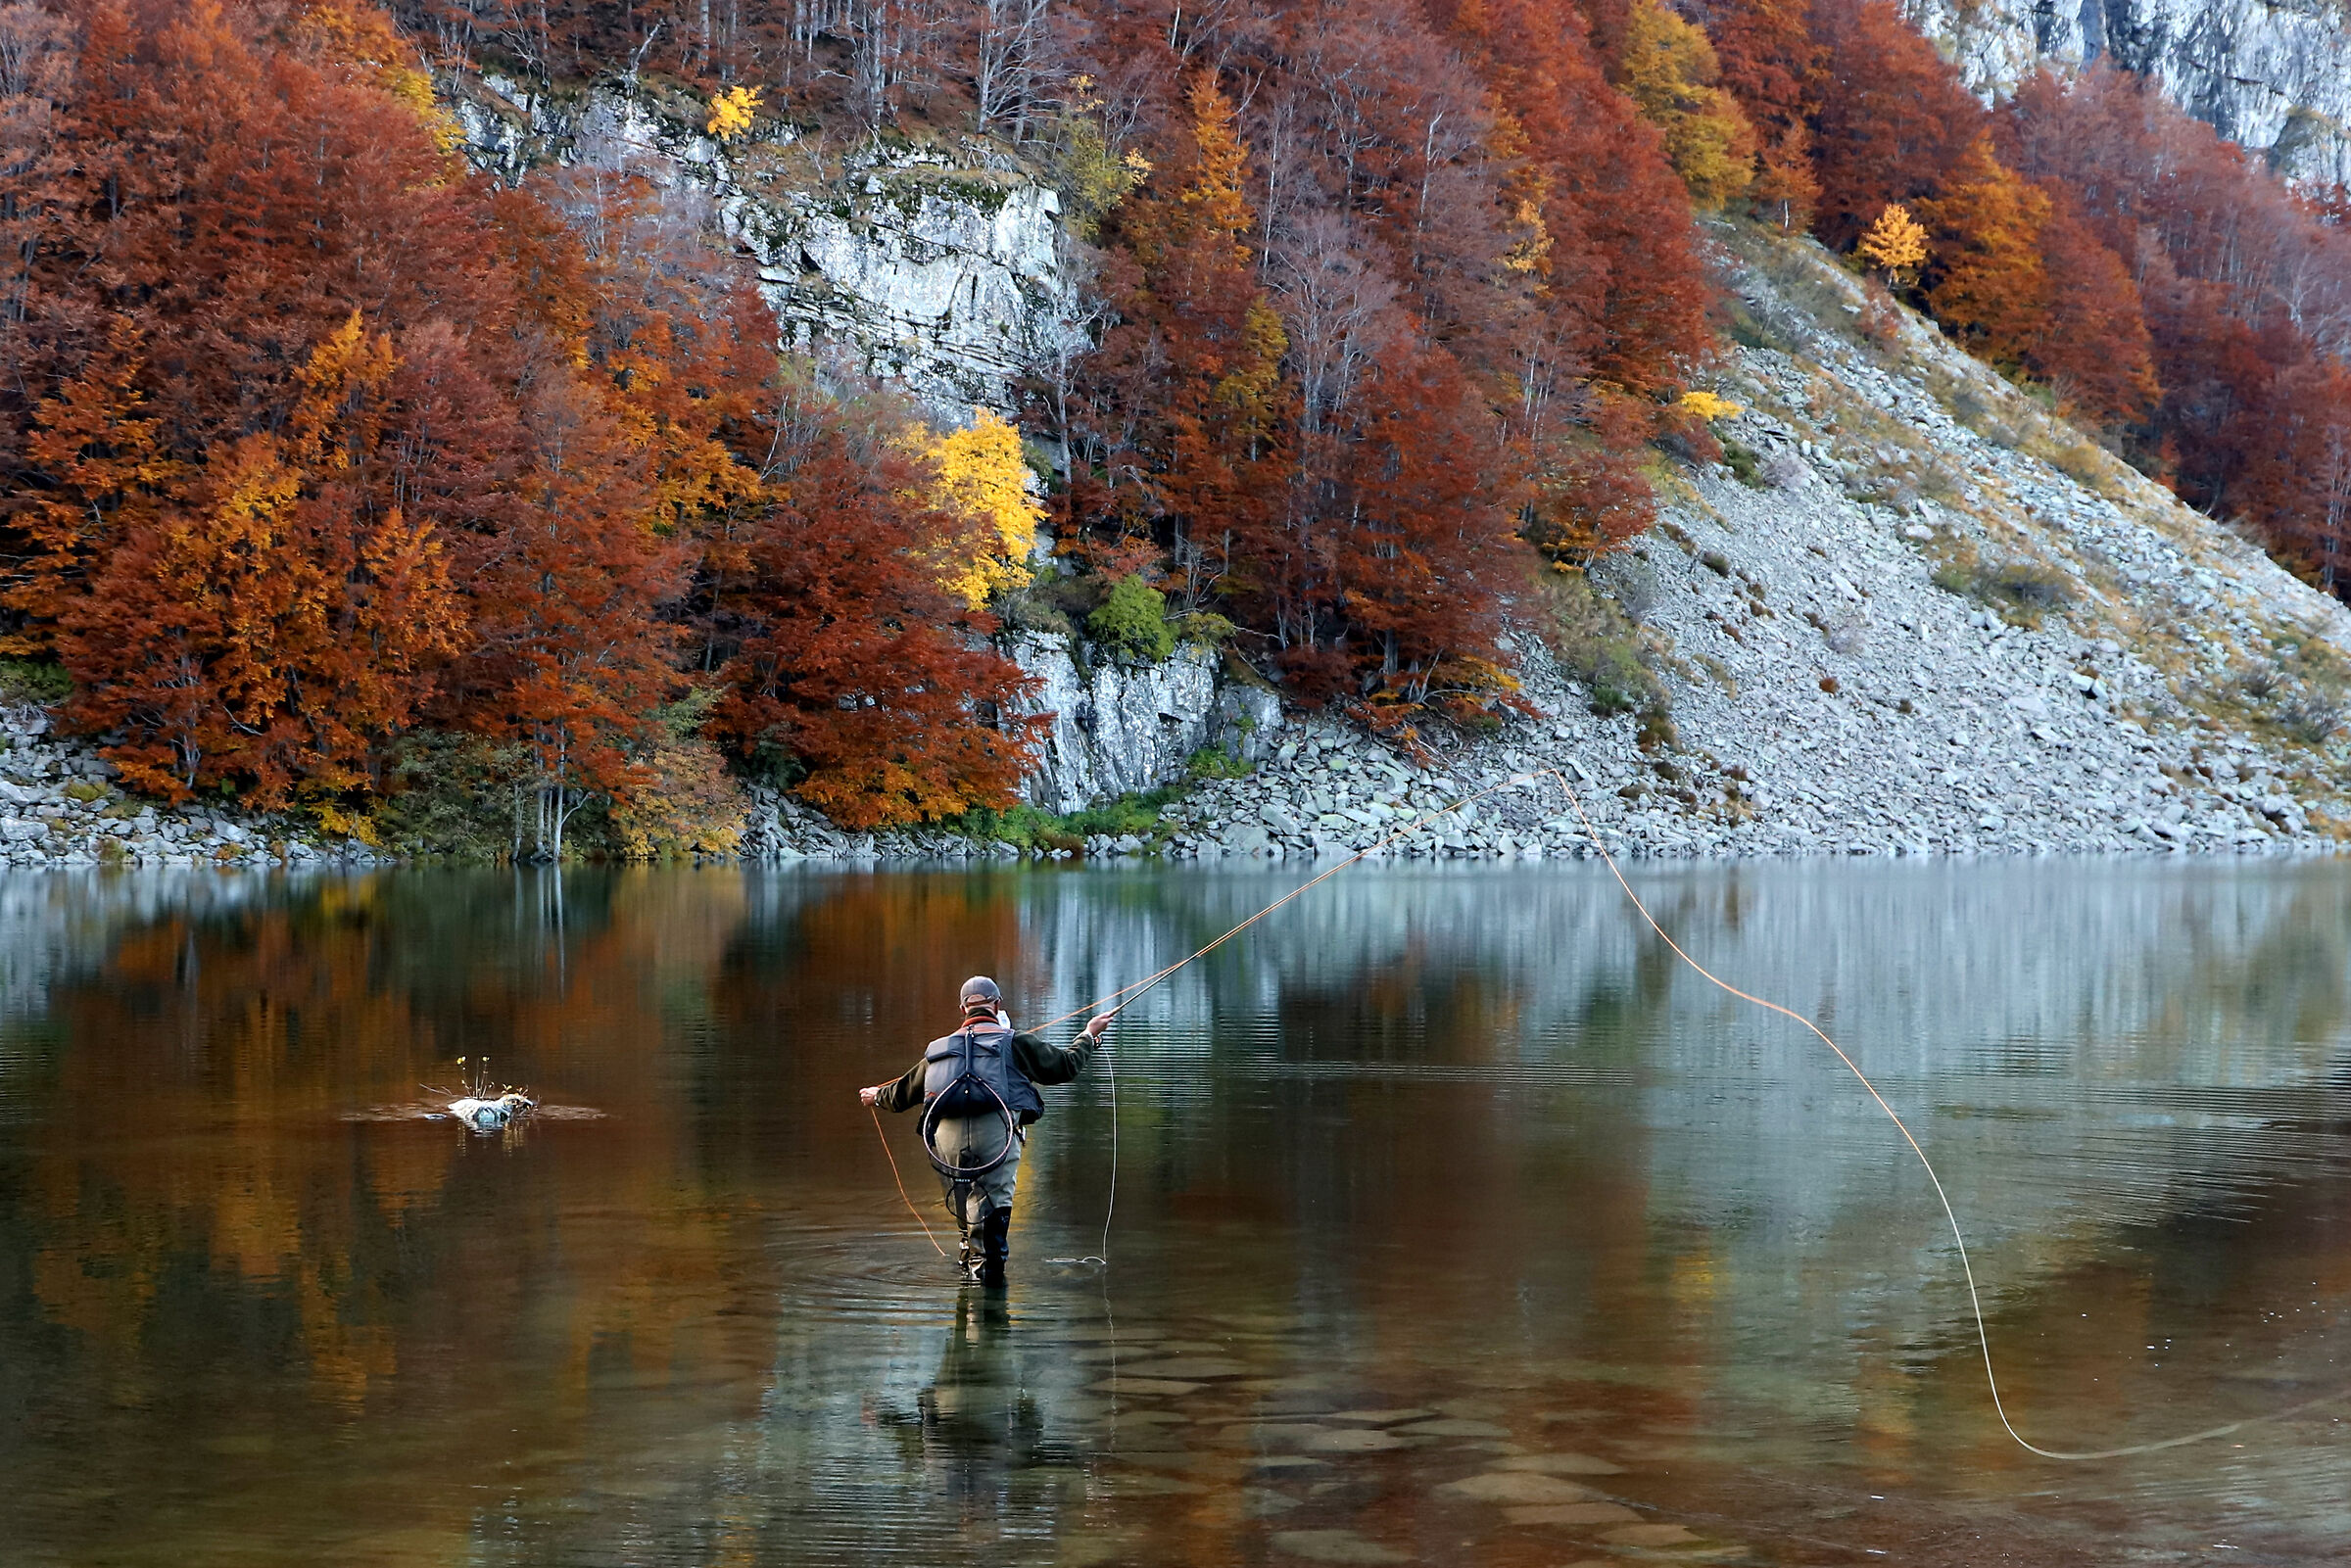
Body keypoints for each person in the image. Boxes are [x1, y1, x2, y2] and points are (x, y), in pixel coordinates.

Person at [861, 976, 1113, 1287]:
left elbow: (900, 1094)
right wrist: (1089, 1035)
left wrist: (875, 1095)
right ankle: (988, 1301)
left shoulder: (938, 1050)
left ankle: (968, 1283)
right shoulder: (1015, 1041)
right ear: (997, 1005)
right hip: (996, 1136)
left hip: (944, 1142)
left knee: (966, 1218)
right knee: (990, 1228)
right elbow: (1064, 1067)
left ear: (963, 1008)